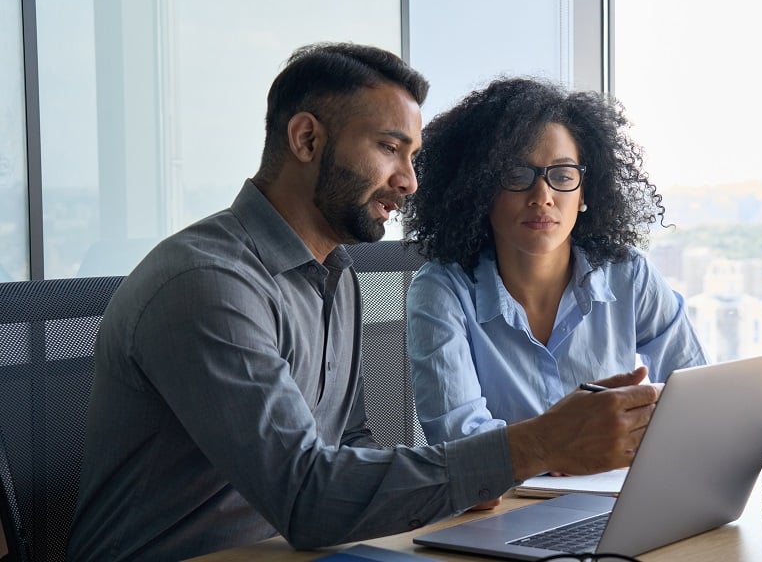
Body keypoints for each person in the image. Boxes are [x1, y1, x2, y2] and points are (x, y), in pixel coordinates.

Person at [67, 44, 661, 561]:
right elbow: (307, 497)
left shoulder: (334, 274)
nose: (410, 181)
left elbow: (347, 449)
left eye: (412, 156)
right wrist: (537, 445)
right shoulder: (207, 284)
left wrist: (471, 479)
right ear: (306, 139)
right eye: (388, 148)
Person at [404, 77, 708, 449]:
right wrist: (565, 449)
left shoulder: (628, 274)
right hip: (503, 503)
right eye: (517, 175)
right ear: (480, 189)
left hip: (616, 495)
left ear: (584, 193)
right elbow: (460, 442)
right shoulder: (441, 290)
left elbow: (697, 394)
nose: (543, 196)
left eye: (563, 176)